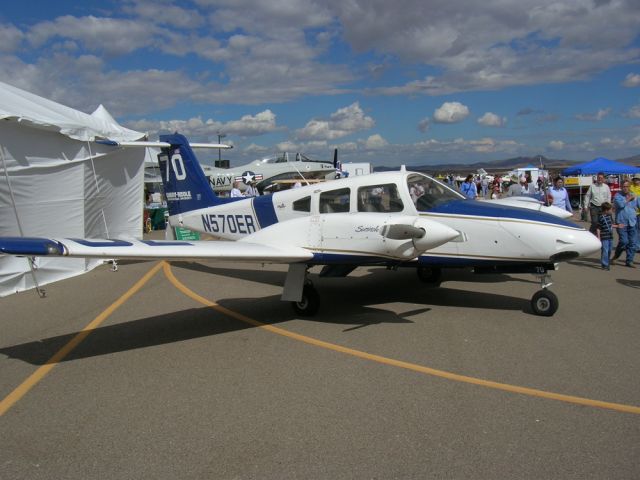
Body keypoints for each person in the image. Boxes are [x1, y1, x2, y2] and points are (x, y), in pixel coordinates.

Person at [612, 181, 639, 267]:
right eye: (624, 186)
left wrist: (633, 198)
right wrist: (628, 199)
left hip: (632, 222)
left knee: (632, 243)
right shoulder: (617, 196)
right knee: (624, 241)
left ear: (629, 186)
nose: (625, 188)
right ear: (621, 187)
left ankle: (629, 261)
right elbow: (620, 205)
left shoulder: (634, 195)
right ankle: (616, 256)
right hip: (621, 223)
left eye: (627, 186)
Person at [596, 202, 619, 270]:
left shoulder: (609, 217)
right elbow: (598, 228)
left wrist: (617, 226)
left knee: (609, 250)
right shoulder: (601, 218)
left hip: (610, 237)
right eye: (611, 210)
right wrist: (599, 237)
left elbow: (610, 225)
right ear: (606, 210)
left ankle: (607, 262)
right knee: (605, 251)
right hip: (604, 237)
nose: (612, 211)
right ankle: (605, 264)